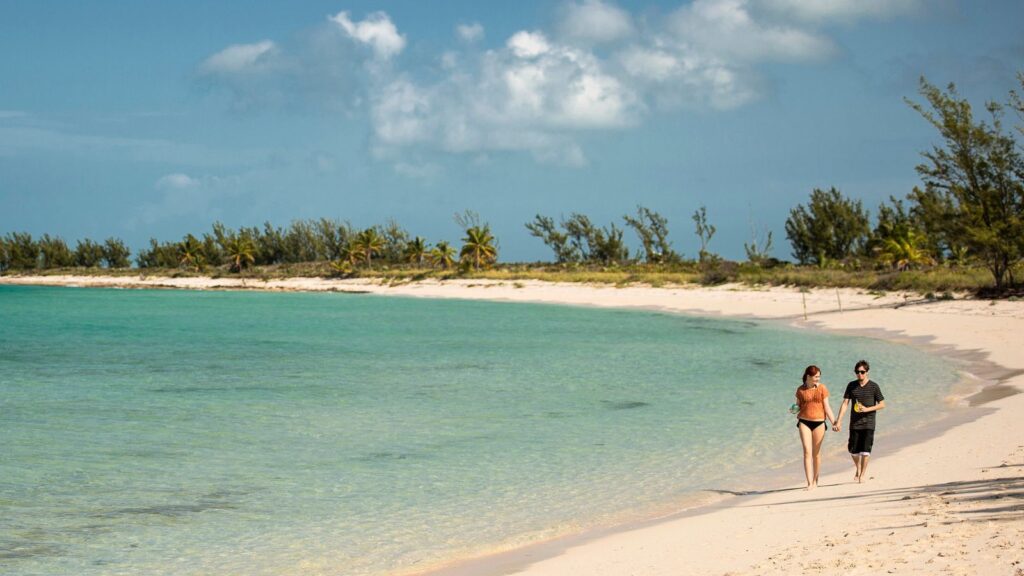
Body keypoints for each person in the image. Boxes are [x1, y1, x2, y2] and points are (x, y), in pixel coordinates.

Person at [833, 360, 886, 483]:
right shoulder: (851, 385)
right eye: (857, 372)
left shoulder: (874, 386)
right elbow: (845, 403)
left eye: (862, 372)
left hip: (869, 422)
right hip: (854, 423)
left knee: (865, 450)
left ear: (867, 372)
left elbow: (882, 404)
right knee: (853, 450)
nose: (859, 374)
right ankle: (858, 467)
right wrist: (839, 421)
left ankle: (862, 474)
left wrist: (868, 409)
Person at [794, 365, 837, 490]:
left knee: (816, 453)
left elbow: (827, 407)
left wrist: (834, 422)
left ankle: (815, 480)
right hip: (804, 421)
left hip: (819, 422)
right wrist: (793, 409)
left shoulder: (822, 388)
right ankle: (809, 483)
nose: (818, 379)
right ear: (808, 376)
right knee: (807, 451)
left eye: (819, 376)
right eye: (816, 377)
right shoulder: (800, 390)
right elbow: (797, 405)